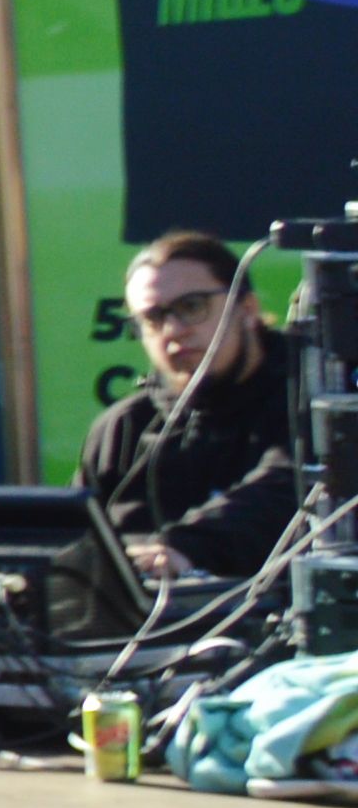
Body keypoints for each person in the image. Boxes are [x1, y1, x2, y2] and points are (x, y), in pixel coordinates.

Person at [81, 230, 298, 606]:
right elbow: (79, 548)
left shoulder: (316, 398)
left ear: (246, 309)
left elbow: (292, 490)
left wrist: (183, 550)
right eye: (153, 318)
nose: (174, 331)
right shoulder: (124, 428)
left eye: (192, 307)